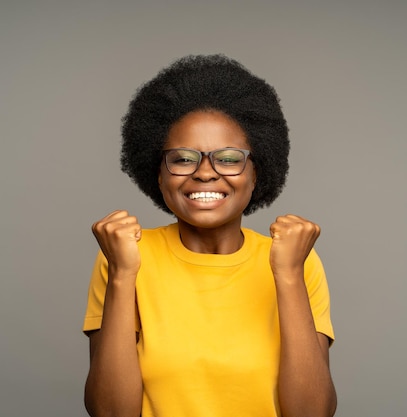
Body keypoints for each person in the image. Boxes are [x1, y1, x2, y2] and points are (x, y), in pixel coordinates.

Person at [83, 54, 336, 417]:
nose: (205, 173)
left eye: (229, 158)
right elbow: (110, 413)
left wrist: (288, 275)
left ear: (255, 173)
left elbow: (313, 414)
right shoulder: (126, 256)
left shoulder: (296, 260)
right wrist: (123, 275)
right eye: (183, 158)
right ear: (158, 174)